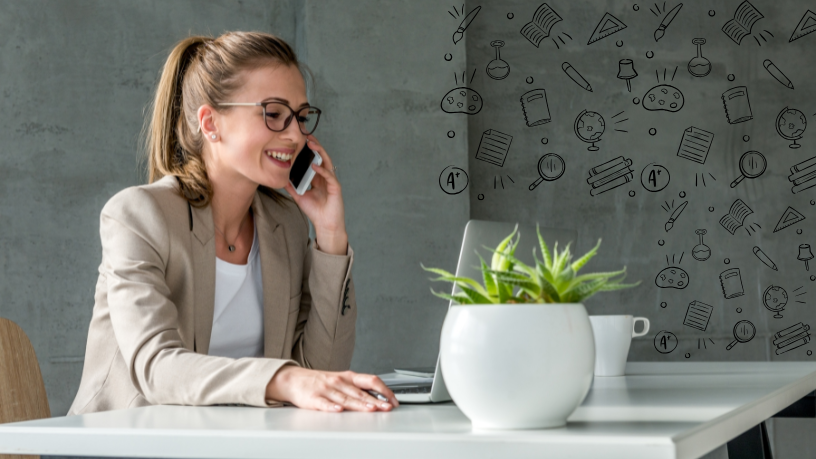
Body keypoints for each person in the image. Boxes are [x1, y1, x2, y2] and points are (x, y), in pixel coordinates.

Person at [68, 31, 397, 415]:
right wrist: (283, 379)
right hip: (122, 445)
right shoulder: (138, 216)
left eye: (302, 117)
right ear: (210, 123)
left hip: (235, 443)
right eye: (274, 114)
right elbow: (157, 368)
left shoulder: (285, 225)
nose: (295, 135)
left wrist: (329, 235)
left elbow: (320, 372)